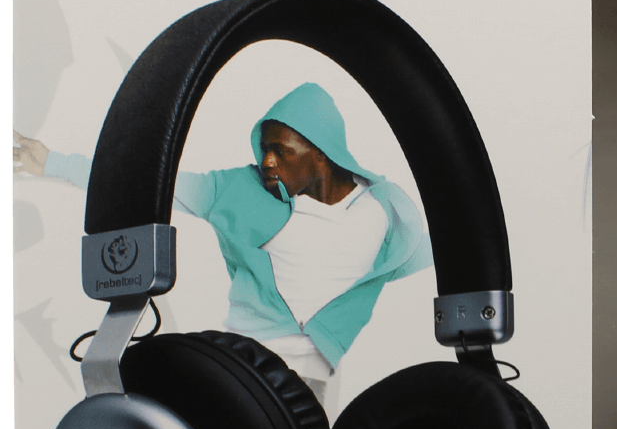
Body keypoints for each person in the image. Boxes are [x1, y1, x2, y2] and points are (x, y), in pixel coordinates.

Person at [13, 83, 432, 405]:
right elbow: (147, 181)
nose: (267, 161)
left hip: (311, 385)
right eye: (264, 150)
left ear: (321, 154)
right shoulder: (236, 189)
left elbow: (435, 250)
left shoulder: (385, 211)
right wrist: (54, 162)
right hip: (237, 369)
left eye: (281, 151)